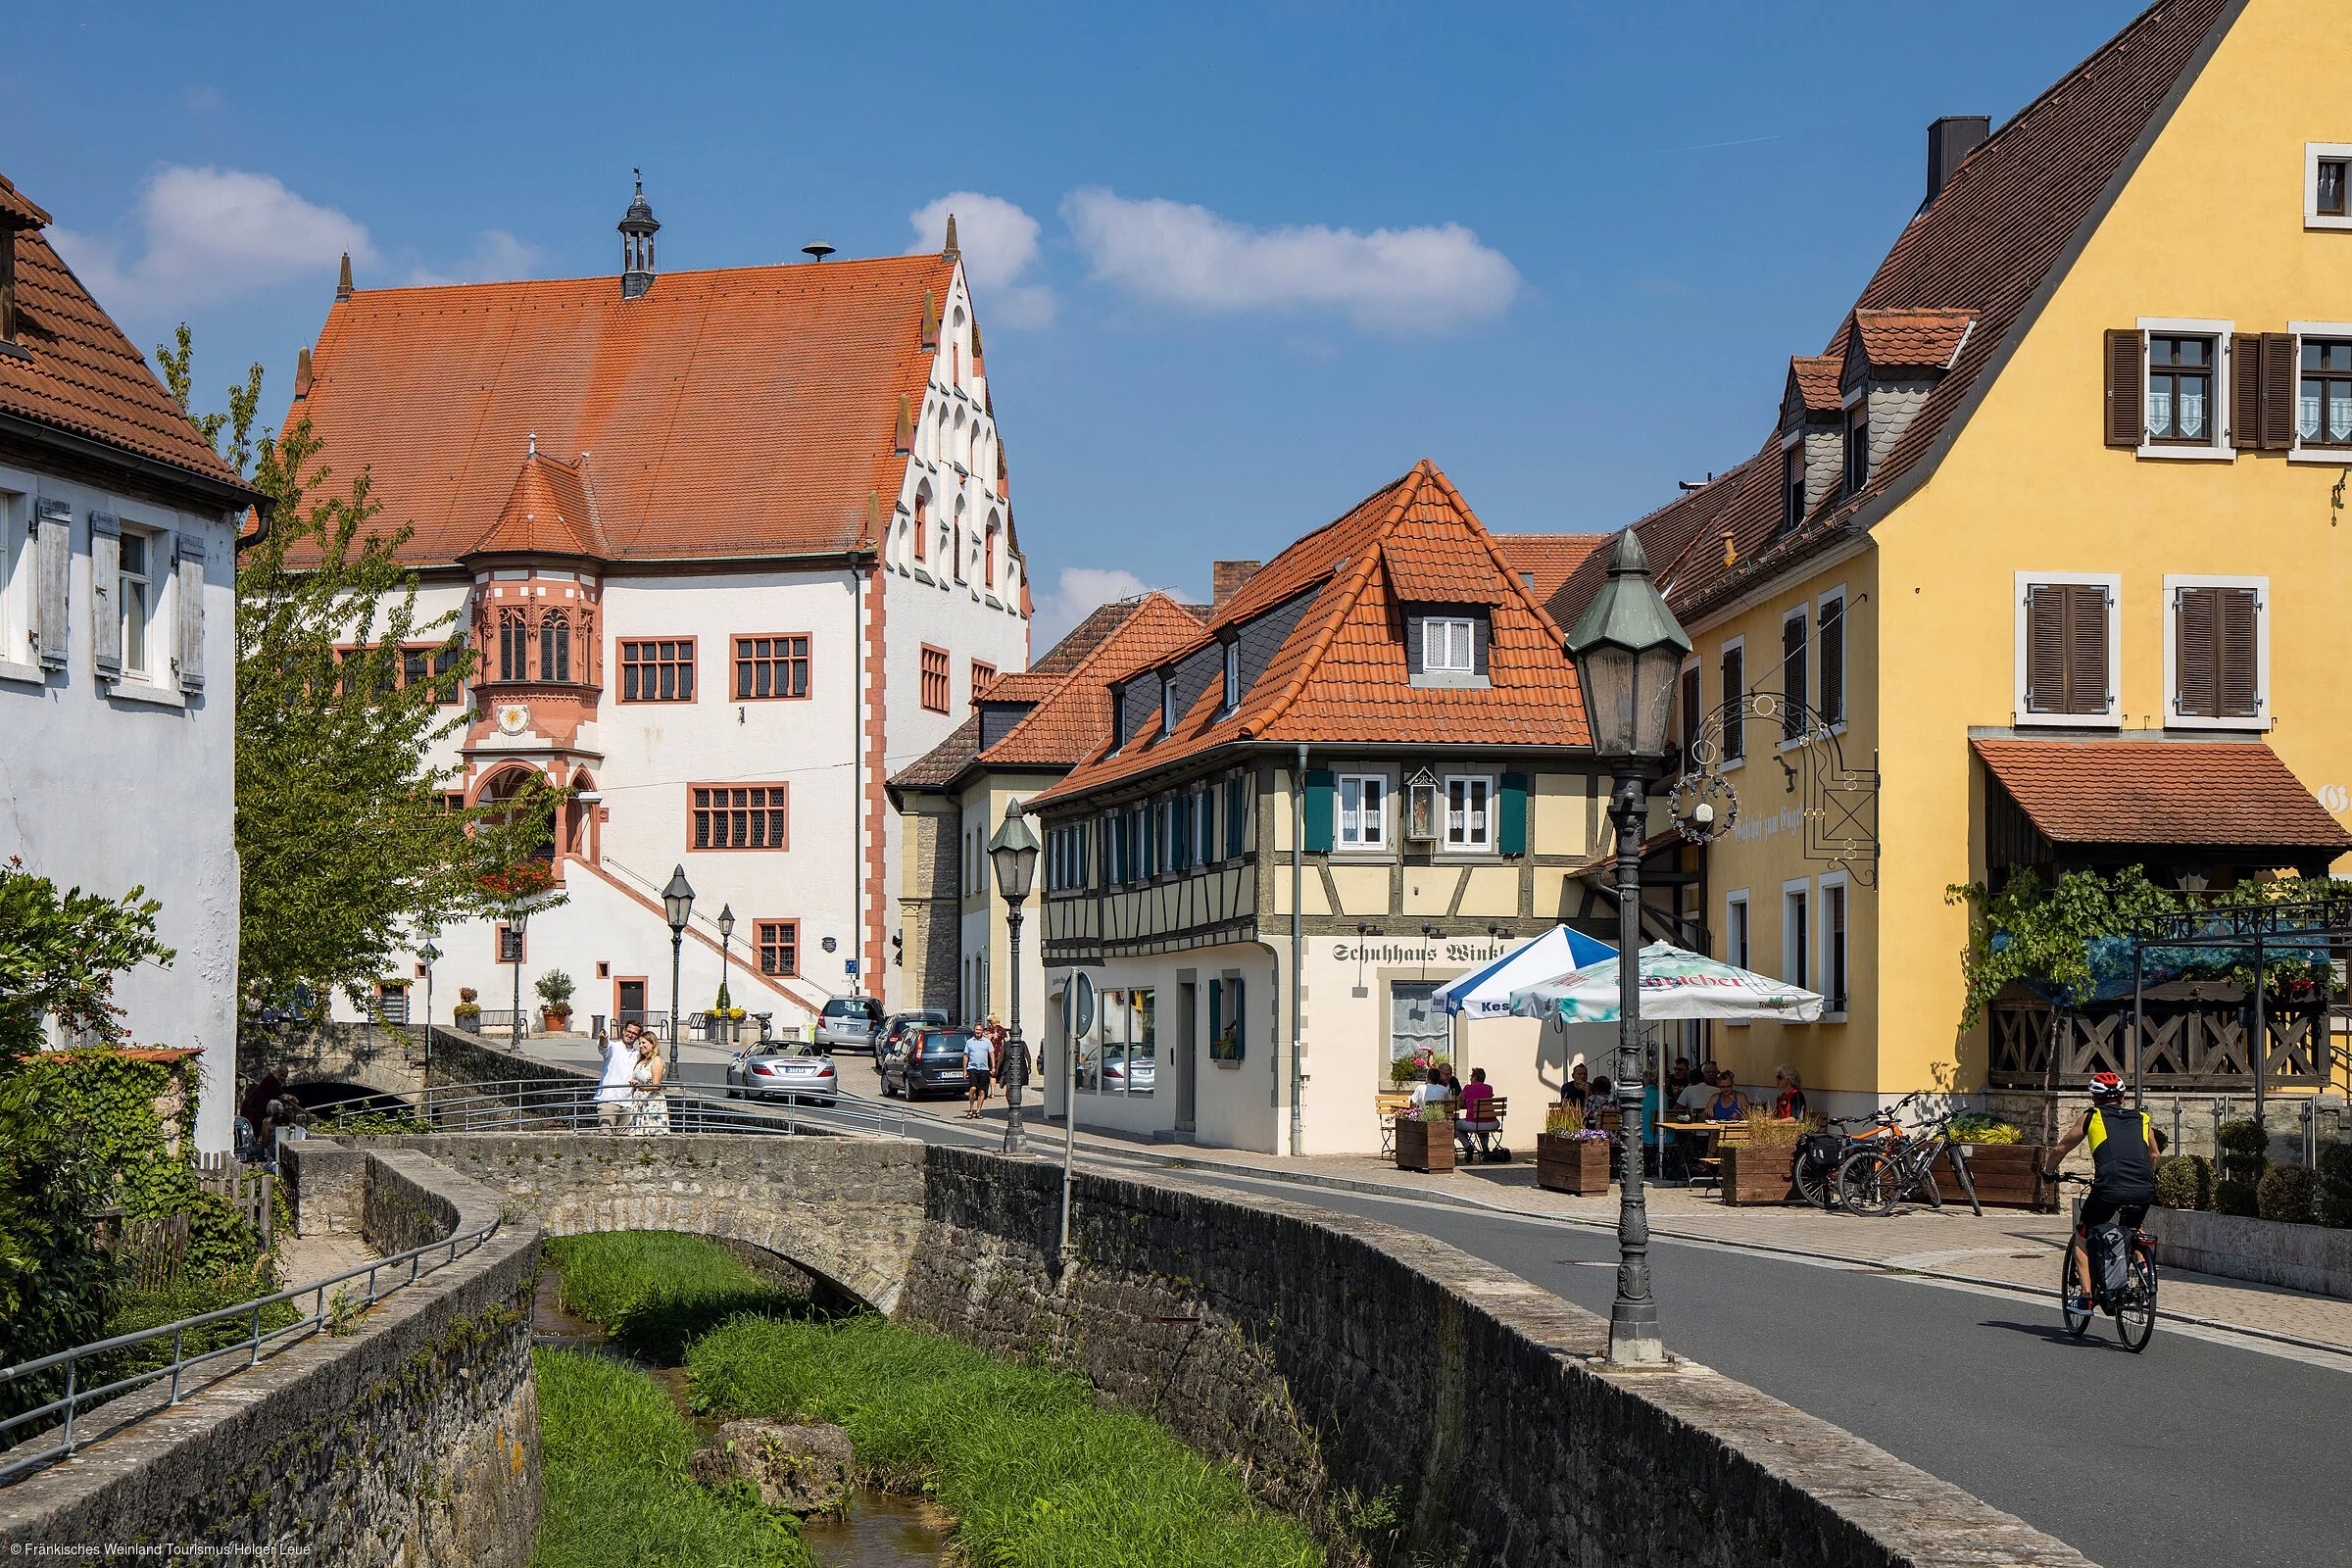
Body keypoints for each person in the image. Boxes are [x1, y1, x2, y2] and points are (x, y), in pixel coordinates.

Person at [2043, 1072, 2160, 1311]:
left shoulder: (2092, 1116)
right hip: (2143, 1187)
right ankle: (2145, 1273)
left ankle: (2086, 1297)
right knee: (2134, 1227)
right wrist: (2146, 1175)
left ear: (2094, 1098)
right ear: (2123, 1096)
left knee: (2082, 1235)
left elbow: (2061, 1147)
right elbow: (2155, 1155)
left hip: (2108, 1188)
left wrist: (2047, 1172)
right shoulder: (2142, 1117)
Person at [596, 1022, 640, 1131]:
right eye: (629, 1031)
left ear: (638, 1037)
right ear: (623, 1031)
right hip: (609, 1100)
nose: (630, 1035)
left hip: (628, 1103)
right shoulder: (613, 1047)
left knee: (624, 1141)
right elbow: (603, 1046)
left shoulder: (638, 1055)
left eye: (634, 1033)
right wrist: (603, 1038)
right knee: (605, 1138)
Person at [628, 1033, 670, 1135]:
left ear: (652, 1044)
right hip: (640, 1101)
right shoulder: (642, 1060)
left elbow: (656, 1085)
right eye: (639, 1043)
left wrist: (639, 1086)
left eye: (644, 1043)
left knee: (651, 1133)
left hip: (651, 1102)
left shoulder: (656, 1060)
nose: (641, 1046)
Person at [1456, 1066, 1498, 1160]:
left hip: (1474, 1123)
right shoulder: (1489, 1088)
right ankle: (1485, 1148)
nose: (1470, 1078)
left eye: (1471, 1076)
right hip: (1492, 1123)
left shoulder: (1468, 1088)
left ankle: (1468, 1146)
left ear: (1475, 1077)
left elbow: (1459, 1102)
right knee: (1482, 1120)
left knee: (1454, 1125)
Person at [963, 1028, 997, 1119]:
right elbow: (966, 1056)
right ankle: (971, 1109)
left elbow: (992, 1054)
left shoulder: (987, 1042)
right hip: (972, 1068)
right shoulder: (969, 1042)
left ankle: (978, 1111)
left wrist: (993, 1067)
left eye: (980, 1030)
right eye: (977, 1030)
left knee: (982, 1091)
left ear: (982, 1031)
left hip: (984, 1069)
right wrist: (965, 1070)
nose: (978, 1031)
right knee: (973, 1088)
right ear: (974, 1031)